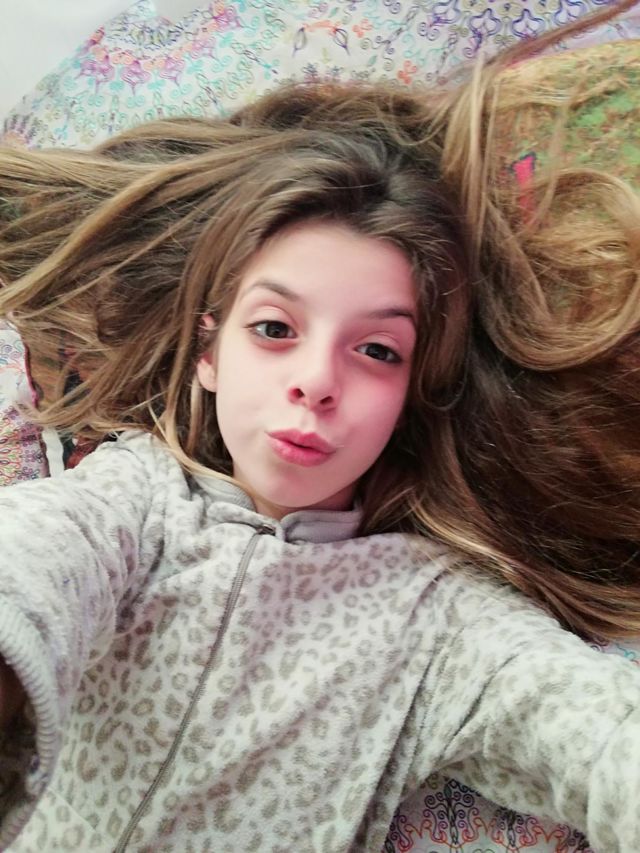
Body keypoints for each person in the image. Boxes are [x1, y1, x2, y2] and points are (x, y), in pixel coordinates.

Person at [0, 3, 639, 852]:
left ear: (411, 394)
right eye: (275, 329)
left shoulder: (436, 617)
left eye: (376, 350)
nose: (317, 382)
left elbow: (599, 737)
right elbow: (28, 569)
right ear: (208, 354)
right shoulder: (129, 506)